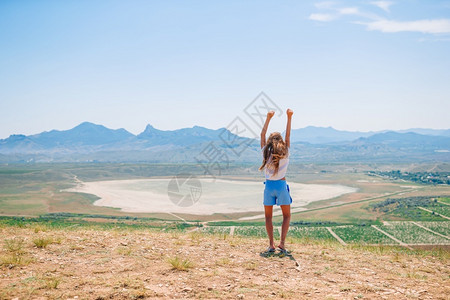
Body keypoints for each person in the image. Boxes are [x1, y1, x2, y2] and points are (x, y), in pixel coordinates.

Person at [259, 109, 293, 254]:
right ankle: (282, 244)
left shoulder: (265, 152)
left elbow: (262, 134)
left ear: (269, 142)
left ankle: (271, 244)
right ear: (281, 142)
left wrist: (268, 118)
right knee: (286, 216)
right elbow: (288, 135)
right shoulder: (285, 152)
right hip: (281, 186)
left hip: (269, 186)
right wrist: (289, 117)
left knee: (268, 217)